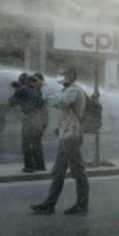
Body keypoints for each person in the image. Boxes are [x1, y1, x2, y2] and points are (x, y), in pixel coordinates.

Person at [30, 64, 89, 215]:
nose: (59, 76)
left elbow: (58, 102)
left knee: (69, 171)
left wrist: (43, 87)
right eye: (59, 73)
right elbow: (67, 112)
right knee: (67, 171)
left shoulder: (74, 91)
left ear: (70, 76)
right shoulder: (68, 91)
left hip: (70, 137)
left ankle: (73, 204)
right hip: (68, 135)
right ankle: (58, 204)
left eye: (62, 74)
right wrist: (60, 128)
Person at [8, 73, 45, 173]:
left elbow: (11, 103)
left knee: (26, 144)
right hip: (38, 119)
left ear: (24, 81)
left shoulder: (23, 89)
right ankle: (40, 165)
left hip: (29, 119)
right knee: (36, 143)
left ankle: (29, 166)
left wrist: (16, 90)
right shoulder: (36, 90)